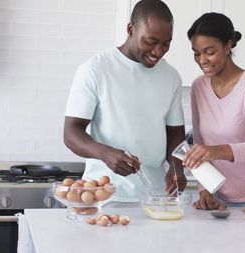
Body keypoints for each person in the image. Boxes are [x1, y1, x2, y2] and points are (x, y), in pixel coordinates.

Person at [63, 0, 186, 202]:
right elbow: (71, 133)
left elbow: (175, 132)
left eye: (166, 43)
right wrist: (105, 153)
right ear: (130, 29)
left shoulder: (171, 76)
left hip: (156, 197)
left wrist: (176, 168)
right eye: (150, 41)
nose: (158, 51)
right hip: (104, 195)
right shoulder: (95, 70)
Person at [183, 12, 245, 210]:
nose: (202, 60)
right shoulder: (198, 88)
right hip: (221, 199)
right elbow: (200, 145)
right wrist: (205, 189)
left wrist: (216, 151)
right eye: (196, 53)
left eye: (209, 51)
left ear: (227, 46)